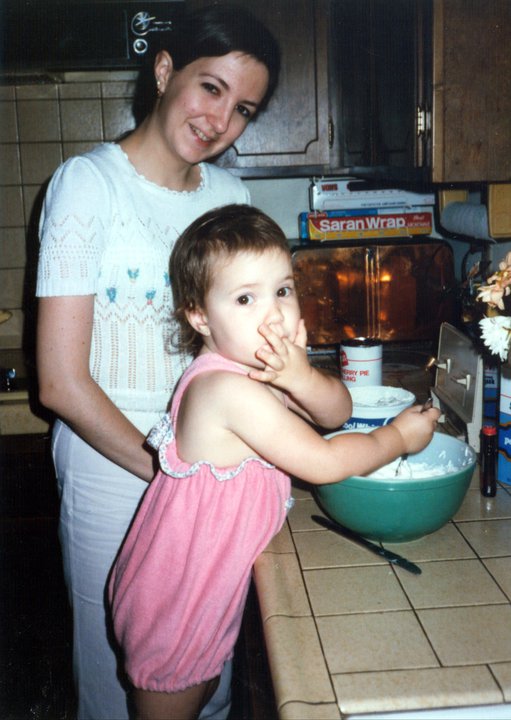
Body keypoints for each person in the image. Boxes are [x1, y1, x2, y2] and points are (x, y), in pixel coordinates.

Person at [35, 5, 281, 719]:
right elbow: (60, 381)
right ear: (165, 69)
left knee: (208, 677)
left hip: (212, 469)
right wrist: (171, 470)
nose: (219, 120)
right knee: (121, 685)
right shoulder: (88, 185)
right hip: (116, 467)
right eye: (210, 88)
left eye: (242, 109)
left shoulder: (233, 199)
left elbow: (256, 357)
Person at [109, 204, 440, 720]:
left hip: (206, 582)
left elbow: (337, 412)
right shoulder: (223, 387)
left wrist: (301, 377)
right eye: (245, 298)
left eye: (283, 290)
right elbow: (324, 460)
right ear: (199, 316)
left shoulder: (257, 367)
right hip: (176, 597)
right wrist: (397, 437)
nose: (274, 314)